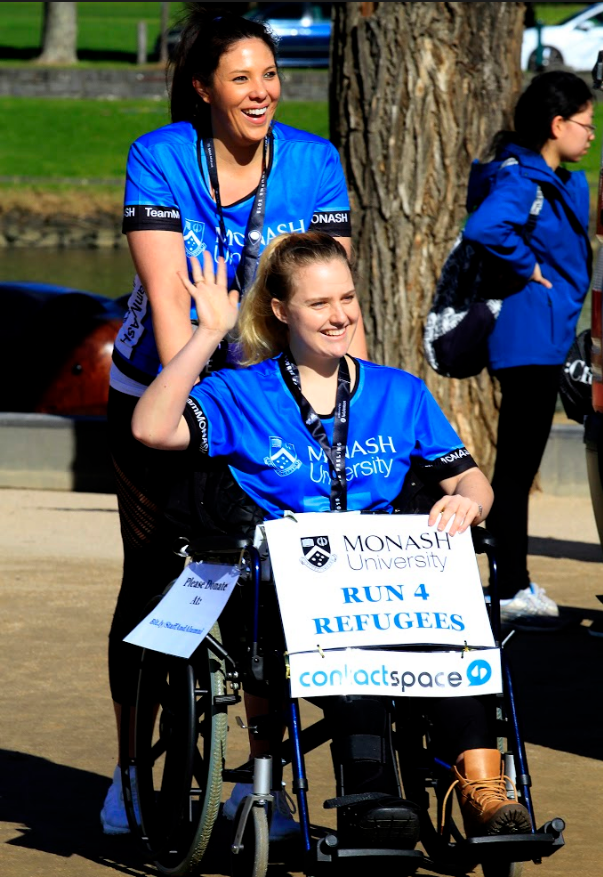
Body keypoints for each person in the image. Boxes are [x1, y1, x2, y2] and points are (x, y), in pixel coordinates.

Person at [131, 230, 530, 846]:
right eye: (319, 304)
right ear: (281, 310)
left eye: (346, 298)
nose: (339, 315)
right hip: (294, 590)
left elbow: (474, 480)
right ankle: (370, 794)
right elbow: (152, 429)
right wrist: (209, 332)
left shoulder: (400, 392)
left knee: (457, 646)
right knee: (352, 657)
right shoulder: (241, 393)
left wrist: (466, 502)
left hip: (393, 580)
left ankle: (484, 790)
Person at [102, 6, 368, 836]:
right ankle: (128, 772)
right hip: (165, 383)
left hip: (270, 399)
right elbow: (173, 312)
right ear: (202, 88)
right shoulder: (160, 157)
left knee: (265, 596)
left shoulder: (315, 164)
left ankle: (262, 781)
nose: (261, 92)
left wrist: (346, 407)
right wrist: (218, 405)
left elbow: (333, 303)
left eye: (271, 75)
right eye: (241, 77)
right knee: (152, 580)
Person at [463, 71, 594, 630]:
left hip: (539, 339)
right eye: (585, 124)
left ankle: (511, 579)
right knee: (516, 471)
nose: (591, 134)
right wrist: (529, 267)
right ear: (556, 124)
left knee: (518, 467)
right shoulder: (523, 178)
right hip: (528, 343)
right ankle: (510, 584)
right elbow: (486, 227)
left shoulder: (553, 176)